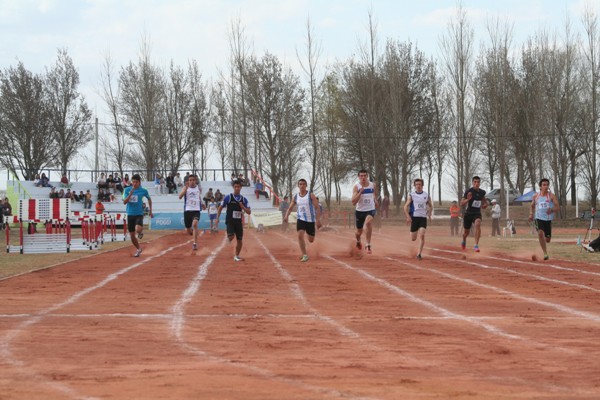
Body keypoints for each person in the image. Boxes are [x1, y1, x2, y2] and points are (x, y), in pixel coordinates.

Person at [284, 179, 322, 261]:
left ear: (306, 186)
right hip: (300, 218)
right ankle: (304, 255)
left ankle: (308, 238)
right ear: (298, 186)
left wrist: (318, 220)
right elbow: (290, 208)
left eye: (304, 184)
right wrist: (286, 216)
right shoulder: (296, 196)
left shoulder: (310, 195)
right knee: (300, 235)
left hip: (310, 220)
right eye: (300, 184)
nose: (302, 186)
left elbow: (317, 207)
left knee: (311, 240)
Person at [217, 180, 251, 262]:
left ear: (241, 188)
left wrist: (243, 207)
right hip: (230, 220)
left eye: (238, 187)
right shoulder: (228, 197)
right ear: (233, 187)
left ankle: (237, 256)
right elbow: (220, 207)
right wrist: (217, 218)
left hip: (238, 222)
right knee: (232, 236)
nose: (237, 188)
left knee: (240, 239)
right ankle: (229, 237)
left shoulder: (244, 199)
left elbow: (249, 212)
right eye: (235, 187)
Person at [528, 178, 560, 260]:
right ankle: (545, 253)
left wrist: (552, 210)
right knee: (540, 233)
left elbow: (557, 207)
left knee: (548, 239)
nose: (546, 186)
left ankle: (544, 244)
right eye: (544, 185)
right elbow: (532, 206)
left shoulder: (551, 196)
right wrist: (531, 214)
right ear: (540, 187)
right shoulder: (536, 196)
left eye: (547, 185)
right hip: (538, 218)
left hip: (548, 219)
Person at [123, 174, 153, 257]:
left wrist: (150, 211)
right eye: (133, 182)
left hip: (139, 213)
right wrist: (130, 194)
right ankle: (138, 249)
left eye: (136, 182)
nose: (134, 184)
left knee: (138, 229)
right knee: (132, 236)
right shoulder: (126, 190)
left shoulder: (143, 190)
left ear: (139, 182)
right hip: (130, 214)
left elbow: (149, 199)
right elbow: (124, 202)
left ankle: (140, 232)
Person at [403, 178, 432, 260]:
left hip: (423, 218)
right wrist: (408, 216)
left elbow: (430, 205)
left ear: (422, 185)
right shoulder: (412, 195)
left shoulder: (426, 195)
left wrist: (429, 214)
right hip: (414, 218)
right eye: (416, 185)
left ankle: (419, 254)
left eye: (420, 184)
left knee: (422, 234)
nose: (418, 186)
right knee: (413, 238)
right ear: (414, 186)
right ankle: (413, 235)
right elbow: (405, 207)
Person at [352, 169, 379, 254]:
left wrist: (375, 200)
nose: (363, 177)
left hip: (370, 209)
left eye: (364, 176)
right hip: (360, 211)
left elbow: (374, 194)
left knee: (368, 223)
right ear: (359, 177)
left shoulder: (372, 185)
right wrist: (360, 193)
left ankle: (368, 245)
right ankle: (358, 241)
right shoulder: (356, 186)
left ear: (367, 176)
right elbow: (353, 202)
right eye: (361, 176)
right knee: (358, 232)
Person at [461, 176, 488, 252]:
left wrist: (485, 205)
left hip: (477, 213)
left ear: (479, 183)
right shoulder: (468, 192)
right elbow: (461, 203)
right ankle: (464, 239)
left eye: (478, 182)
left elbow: (485, 202)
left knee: (478, 223)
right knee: (466, 233)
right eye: (475, 182)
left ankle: (476, 245)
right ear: (472, 183)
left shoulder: (482, 192)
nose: (476, 183)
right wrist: (467, 200)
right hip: (468, 214)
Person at [178, 173, 205, 250]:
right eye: (190, 180)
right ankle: (193, 232)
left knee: (195, 224)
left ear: (195, 181)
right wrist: (185, 190)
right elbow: (180, 197)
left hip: (196, 210)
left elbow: (199, 197)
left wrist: (202, 204)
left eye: (193, 180)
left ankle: (195, 243)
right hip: (187, 211)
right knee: (189, 230)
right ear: (188, 181)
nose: (192, 181)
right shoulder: (185, 188)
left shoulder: (198, 188)